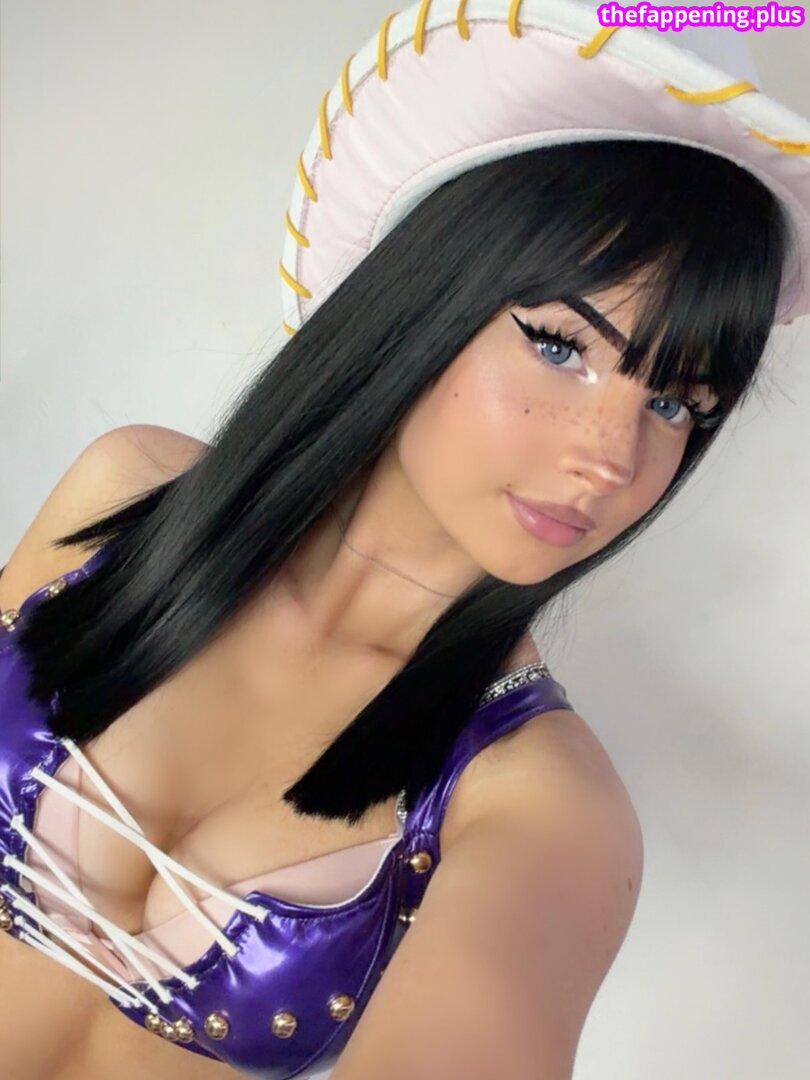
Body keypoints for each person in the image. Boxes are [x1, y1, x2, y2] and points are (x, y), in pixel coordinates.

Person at [1, 2, 808, 1078]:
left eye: (676, 404)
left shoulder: (542, 803)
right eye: (561, 346)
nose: (614, 457)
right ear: (427, 298)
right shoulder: (124, 500)